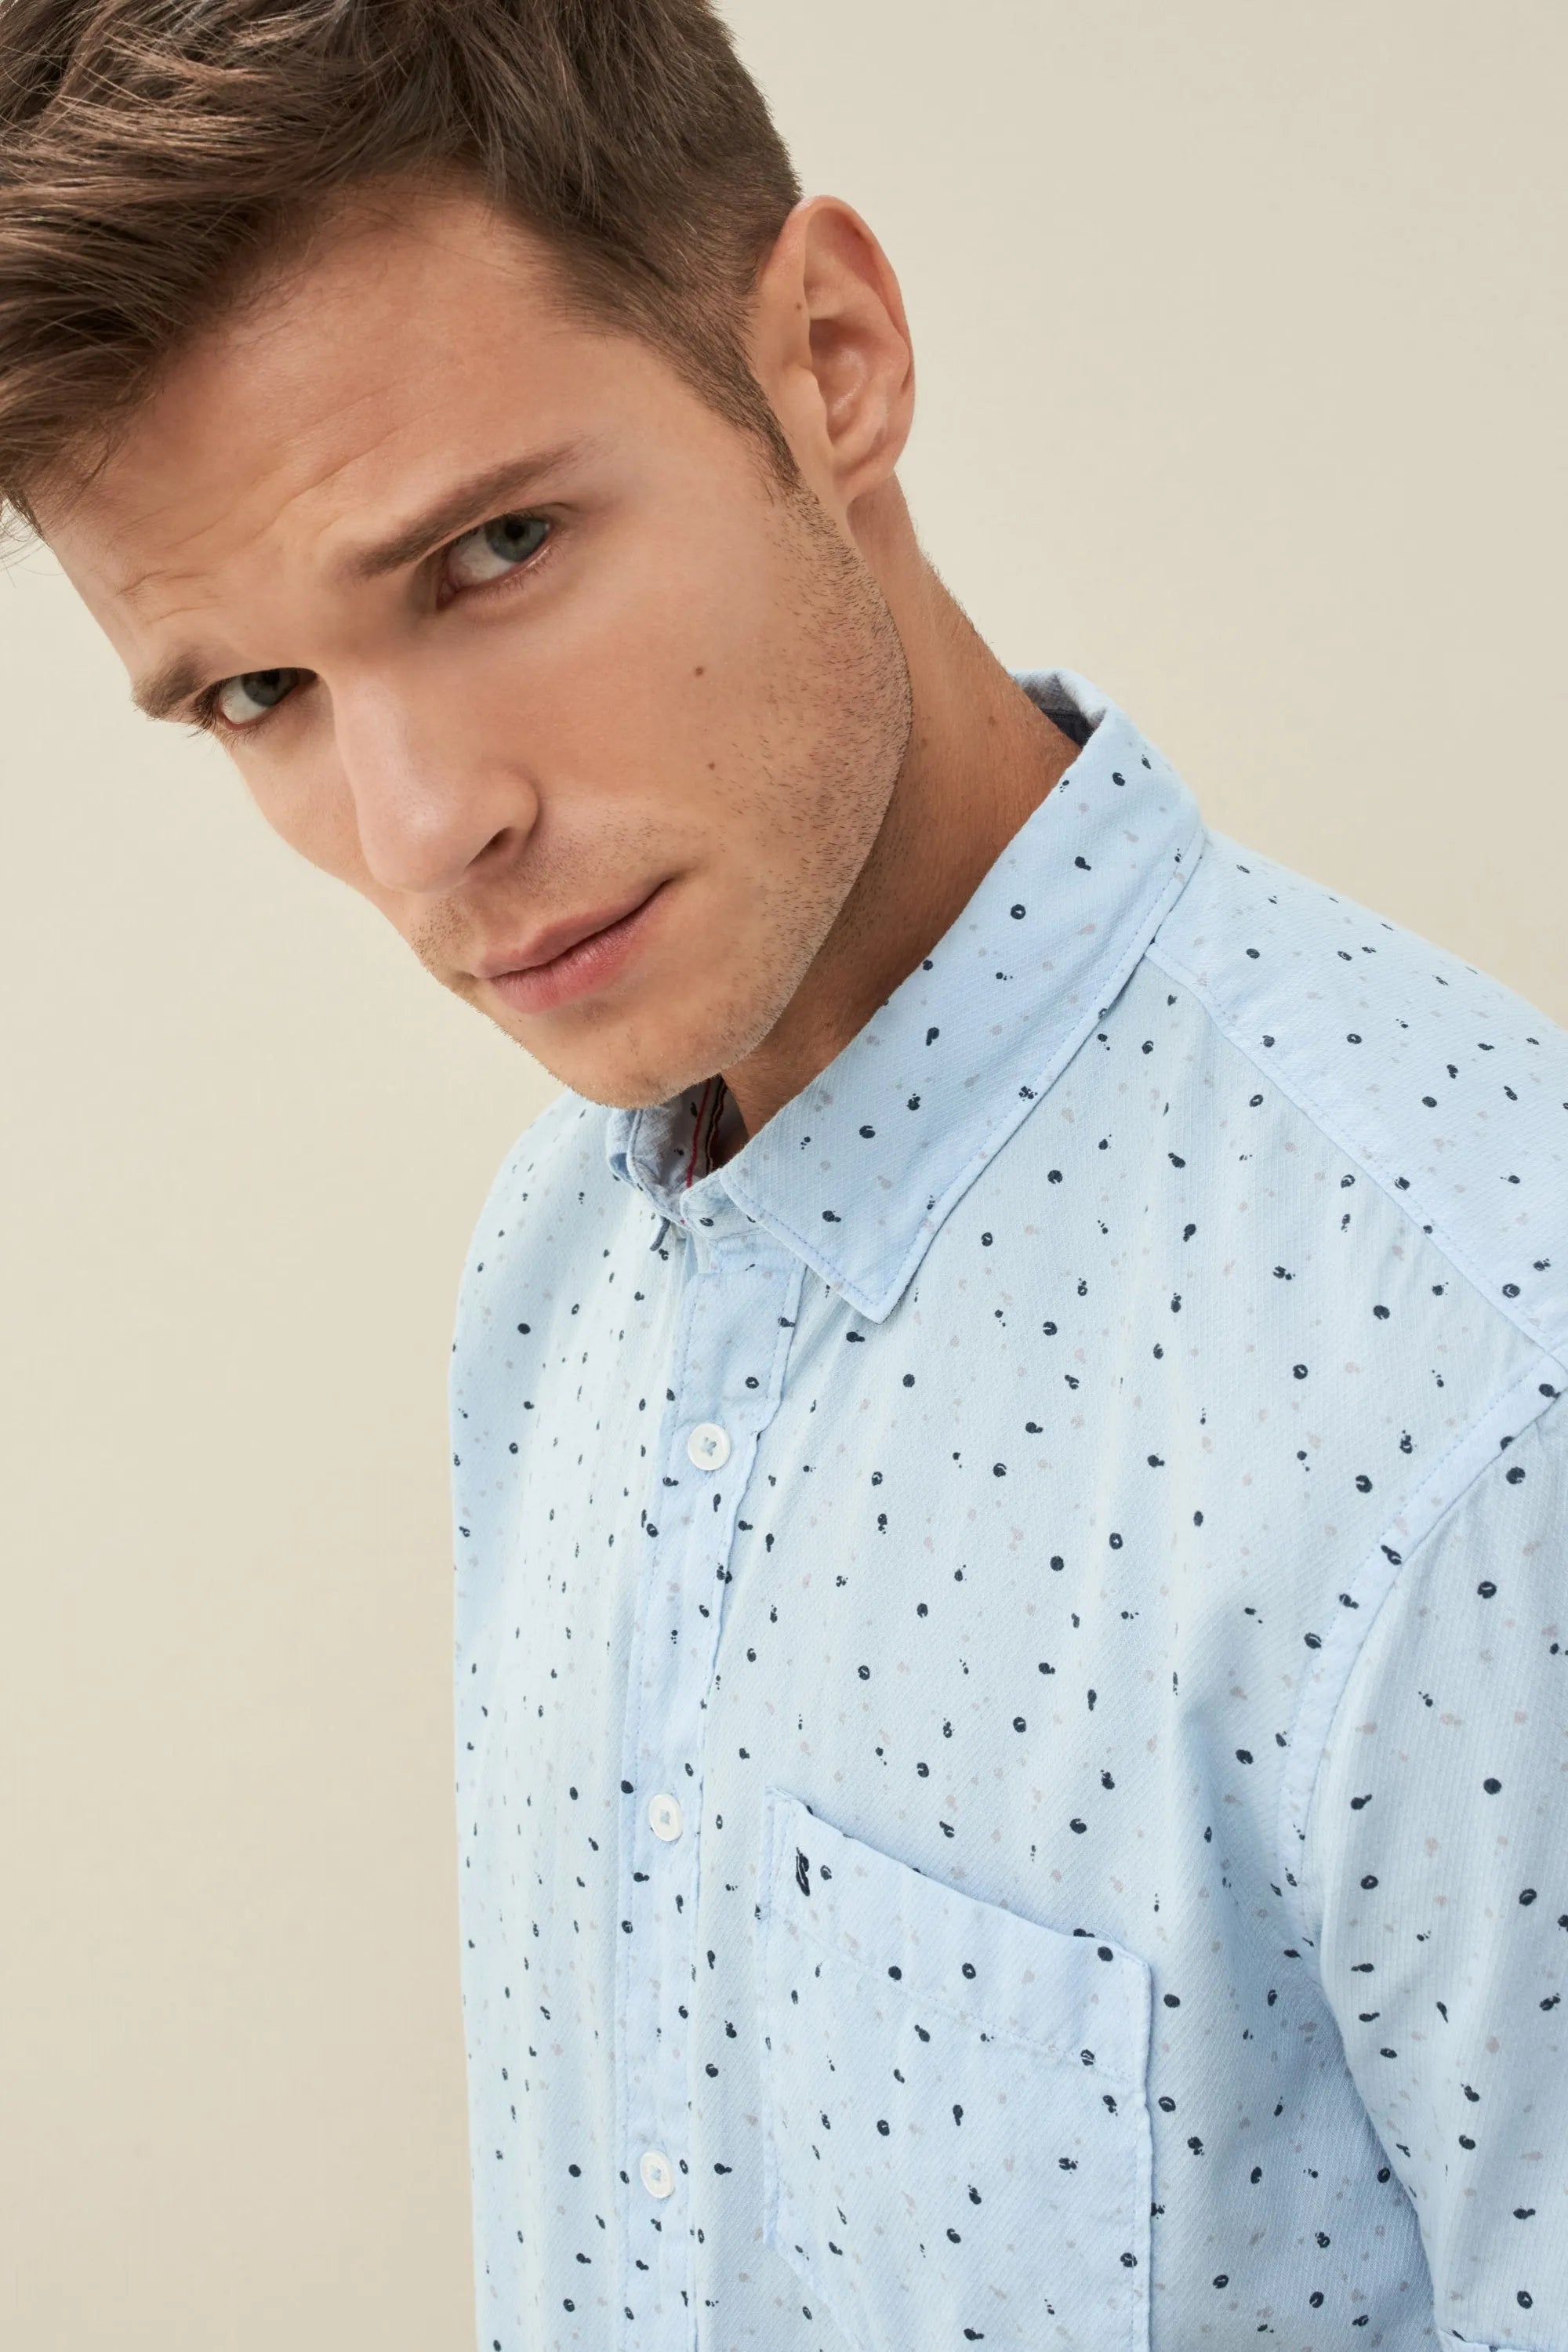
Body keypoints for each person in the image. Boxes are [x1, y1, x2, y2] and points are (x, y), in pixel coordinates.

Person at [2, 3, 1563, 2347]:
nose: (421, 835)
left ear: (830, 365)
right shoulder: (555, 1273)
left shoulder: (1472, 1384)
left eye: (492, 551)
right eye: (257, 697)